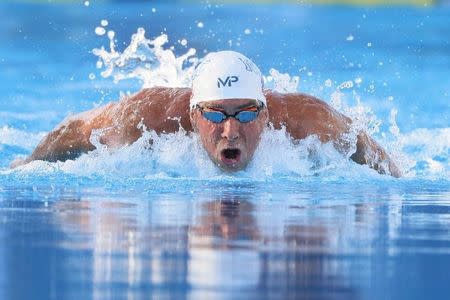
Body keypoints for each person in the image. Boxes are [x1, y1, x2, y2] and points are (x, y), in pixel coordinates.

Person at [11, 51, 401, 177]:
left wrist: (400, 177)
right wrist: (23, 165)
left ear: (265, 114)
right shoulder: (148, 118)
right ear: (194, 114)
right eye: (216, 115)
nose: (230, 130)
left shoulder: (307, 120)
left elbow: (363, 144)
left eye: (245, 115)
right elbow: (77, 129)